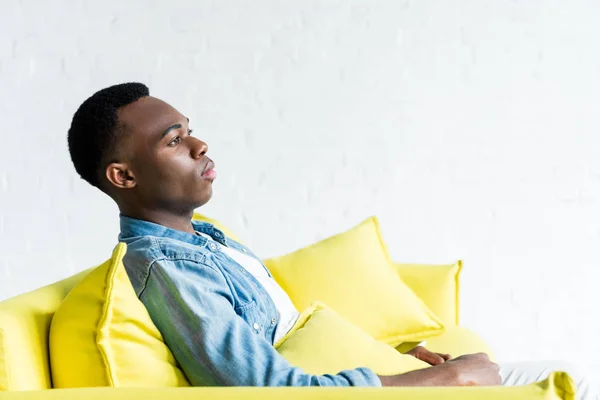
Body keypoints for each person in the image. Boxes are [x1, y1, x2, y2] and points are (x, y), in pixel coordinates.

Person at [67, 83, 598, 398]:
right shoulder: (168, 270)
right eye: (175, 140)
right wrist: (436, 382)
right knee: (574, 383)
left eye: (190, 129)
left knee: (569, 374)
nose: (200, 143)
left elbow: (296, 336)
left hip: (373, 382)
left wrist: (396, 358)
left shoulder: (205, 238)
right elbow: (270, 391)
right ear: (123, 177)